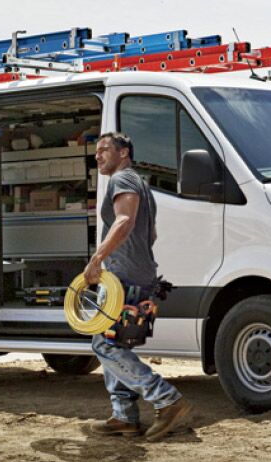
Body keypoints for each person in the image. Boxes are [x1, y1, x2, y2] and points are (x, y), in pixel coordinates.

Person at [83, 132, 190, 441]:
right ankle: (124, 416)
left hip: (124, 276)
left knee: (104, 344)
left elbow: (124, 220)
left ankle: (167, 399)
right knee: (115, 341)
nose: (98, 156)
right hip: (137, 273)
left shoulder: (122, 180)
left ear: (124, 152)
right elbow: (150, 233)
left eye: (104, 150)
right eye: (96, 151)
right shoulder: (140, 183)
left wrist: (98, 258)